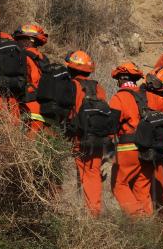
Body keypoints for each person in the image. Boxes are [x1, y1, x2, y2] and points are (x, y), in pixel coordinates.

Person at [64, 50, 110, 216]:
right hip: (98, 138)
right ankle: (94, 210)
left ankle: (87, 211)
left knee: (84, 172)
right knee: (93, 173)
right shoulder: (100, 88)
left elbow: (70, 112)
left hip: (78, 137)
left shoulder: (72, 86)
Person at [109, 61, 156, 216]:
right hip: (149, 149)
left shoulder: (119, 97)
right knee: (141, 187)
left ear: (121, 78)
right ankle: (148, 224)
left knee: (118, 184)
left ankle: (137, 218)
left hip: (128, 148)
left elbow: (112, 125)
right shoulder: (148, 96)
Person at [14, 23, 50, 135]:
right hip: (42, 109)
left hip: (27, 107)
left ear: (29, 40)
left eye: (20, 39)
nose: (18, 42)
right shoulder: (43, 58)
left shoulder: (22, 56)